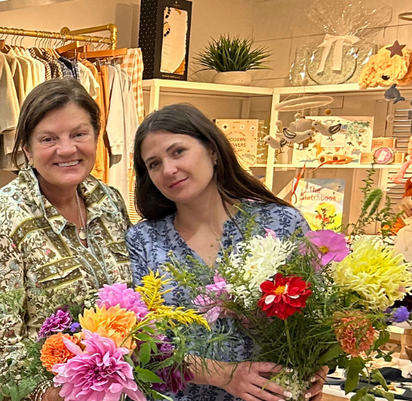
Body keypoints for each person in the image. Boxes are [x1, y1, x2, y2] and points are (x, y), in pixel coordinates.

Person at [127, 104, 325, 401]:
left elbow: (319, 312)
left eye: (178, 151)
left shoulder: (280, 222)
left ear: (213, 151)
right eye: (153, 164)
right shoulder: (143, 240)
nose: (168, 169)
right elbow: (140, 344)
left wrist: (315, 365)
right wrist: (223, 374)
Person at [0, 79, 132, 401]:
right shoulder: (3, 220)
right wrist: (69, 393)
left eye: (79, 134)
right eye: (49, 139)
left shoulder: (109, 201)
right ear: (26, 148)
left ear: (96, 135)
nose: (67, 149)